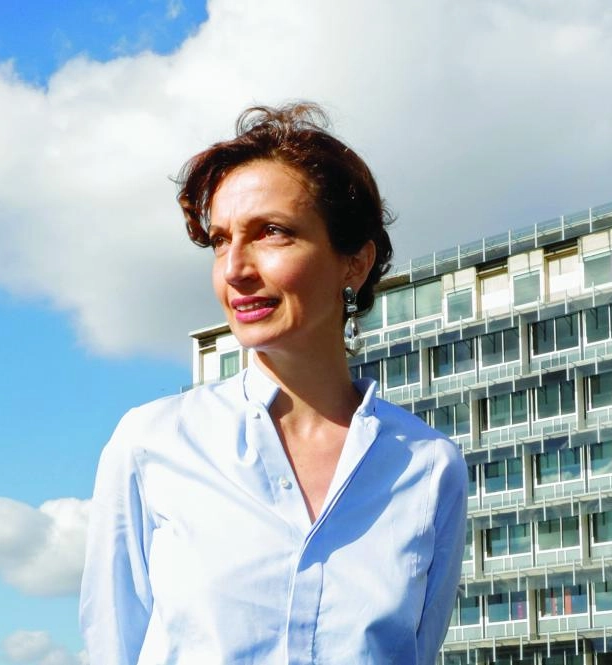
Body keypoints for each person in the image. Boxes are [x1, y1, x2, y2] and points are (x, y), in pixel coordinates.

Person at [79, 103, 468, 664]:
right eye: (219, 240)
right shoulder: (152, 444)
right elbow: (111, 648)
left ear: (354, 264)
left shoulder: (430, 467)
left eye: (272, 233)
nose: (235, 267)